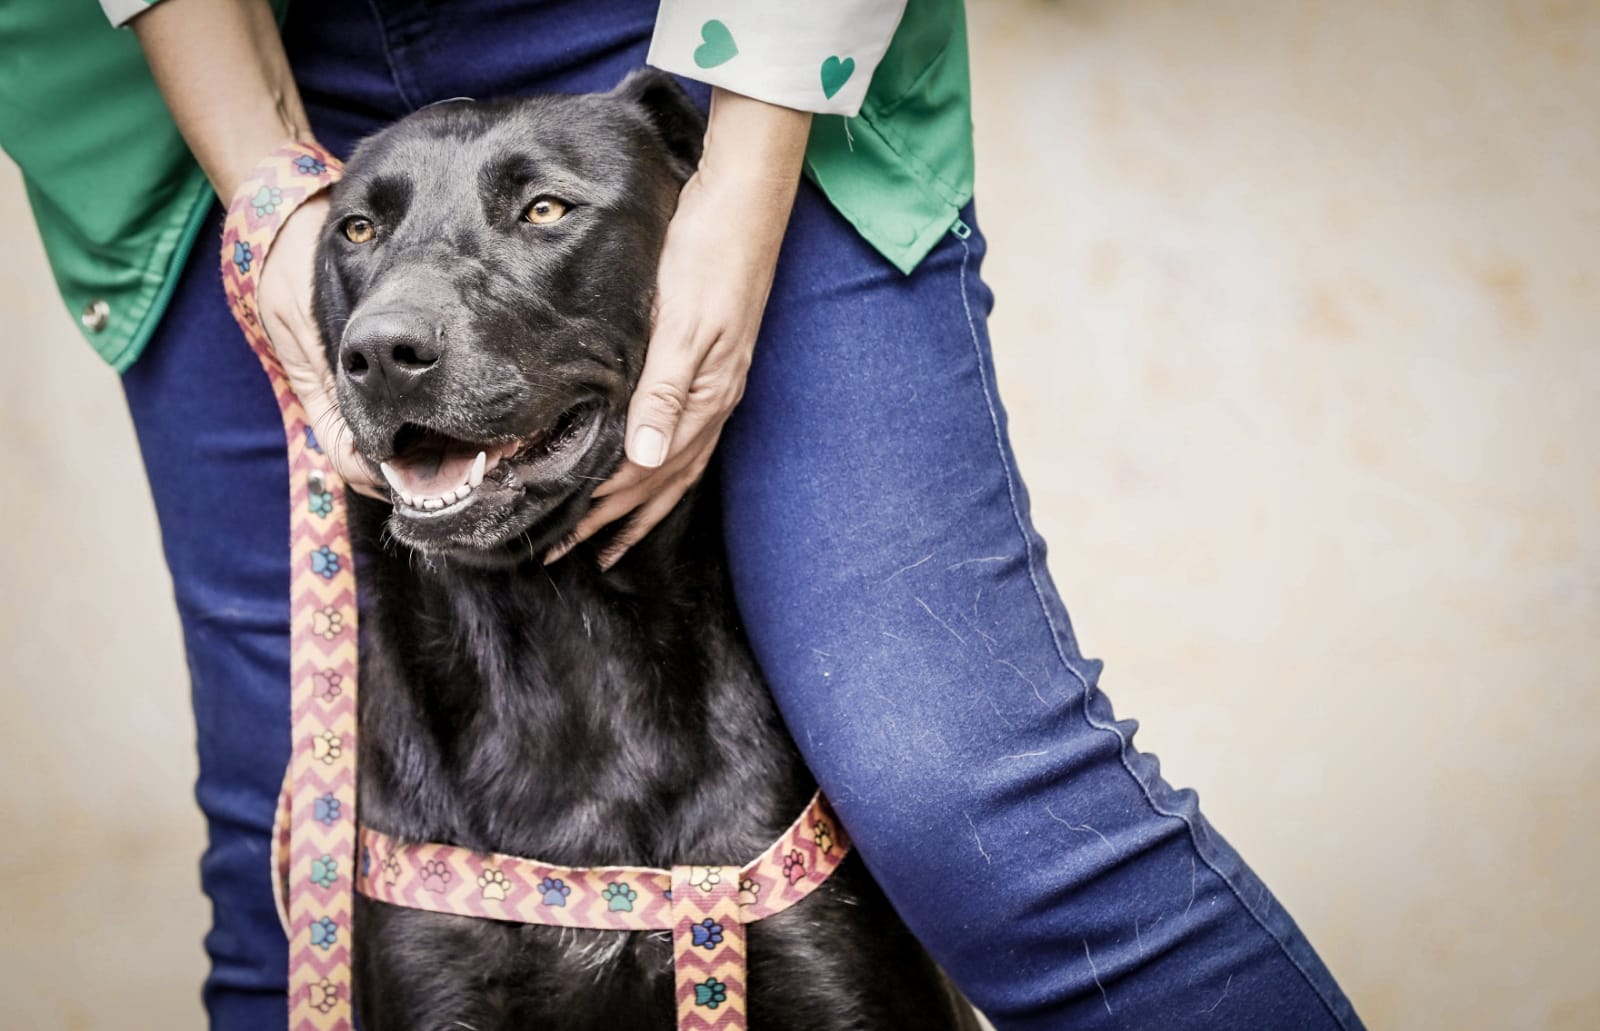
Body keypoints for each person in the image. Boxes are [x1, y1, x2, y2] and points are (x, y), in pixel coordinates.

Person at [0, 1, 1364, 1027]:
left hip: (725, 40)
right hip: (201, 56)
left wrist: (745, 175)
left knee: (968, 793)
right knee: (288, 885)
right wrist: (265, 190)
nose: (388, 335)